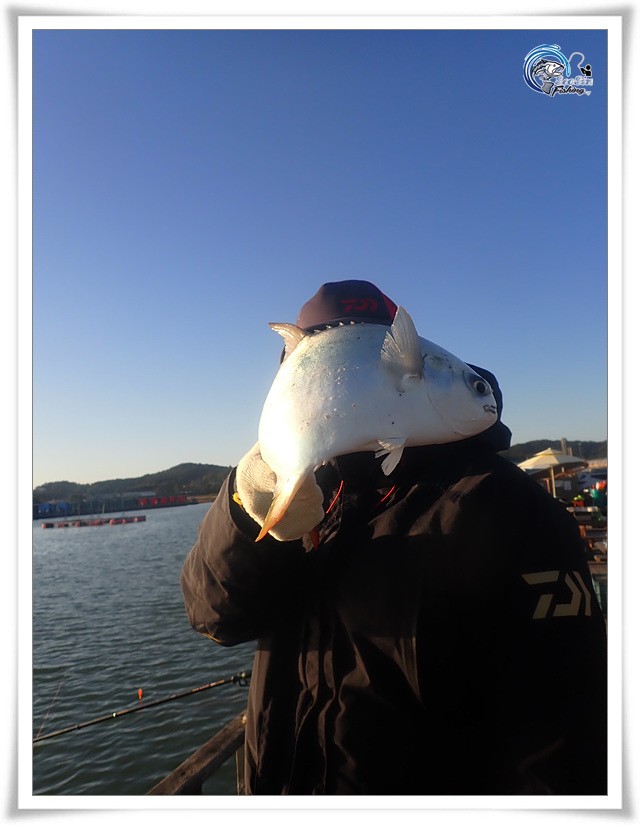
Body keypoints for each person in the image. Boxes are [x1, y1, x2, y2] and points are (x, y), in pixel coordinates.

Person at [181, 280, 607, 796]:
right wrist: (246, 508)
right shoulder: (284, 494)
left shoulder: (503, 505)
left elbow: (562, 737)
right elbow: (214, 616)